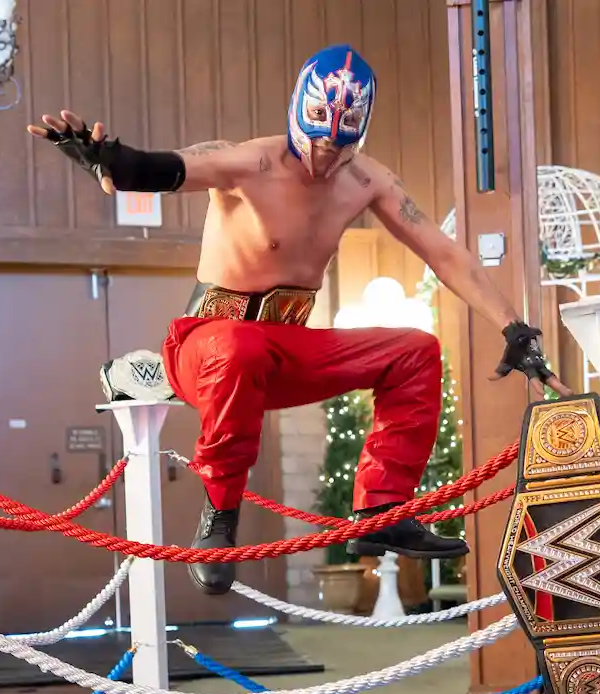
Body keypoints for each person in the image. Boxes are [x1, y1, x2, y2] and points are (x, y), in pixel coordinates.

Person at [30, 44, 565, 595]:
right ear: (296, 118)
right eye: (316, 139)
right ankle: (219, 519)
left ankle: (381, 514)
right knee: (240, 348)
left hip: (287, 344)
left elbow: (444, 252)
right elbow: (155, 168)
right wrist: (107, 159)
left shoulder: (368, 179)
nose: (324, 156)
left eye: (340, 145)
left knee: (415, 350)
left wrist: (514, 327)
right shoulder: (246, 162)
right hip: (207, 341)